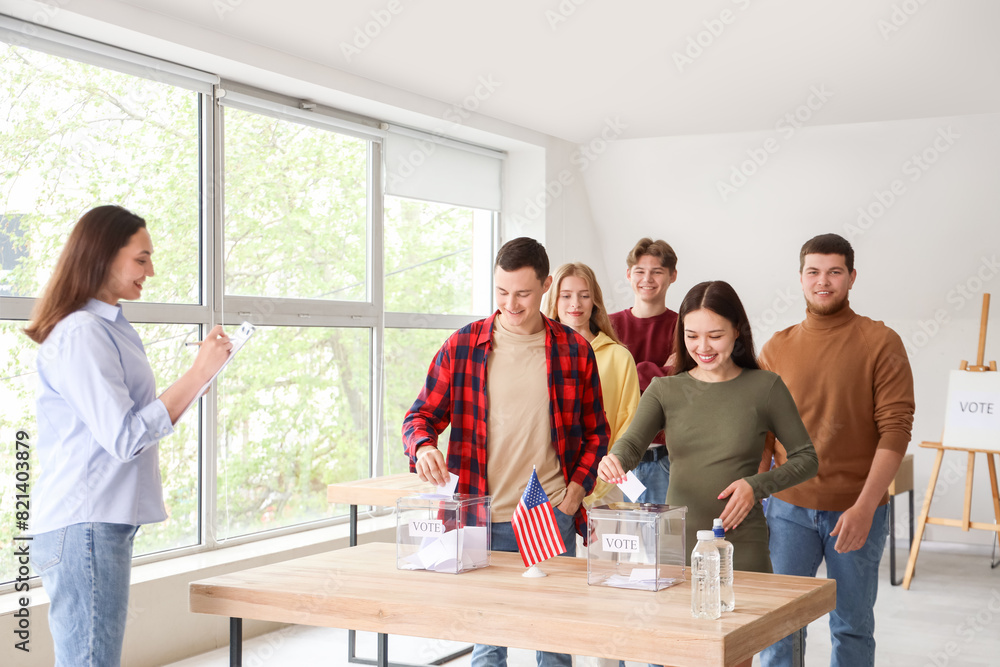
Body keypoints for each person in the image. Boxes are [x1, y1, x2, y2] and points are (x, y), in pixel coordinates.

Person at [24, 205, 232, 666]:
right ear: (102, 256)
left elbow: (136, 424)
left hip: (95, 523)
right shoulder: (82, 333)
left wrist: (201, 376)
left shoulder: (104, 326)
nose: (151, 271)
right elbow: (125, 437)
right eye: (141, 259)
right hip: (85, 523)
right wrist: (197, 373)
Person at [402, 237, 609, 667]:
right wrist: (422, 448)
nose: (510, 304)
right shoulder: (462, 347)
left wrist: (575, 491)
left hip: (549, 513)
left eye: (523, 294)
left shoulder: (574, 351)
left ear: (546, 286)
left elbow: (596, 433)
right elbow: (419, 417)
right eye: (501, 292)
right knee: (487, 642)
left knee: (552, 640)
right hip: (481, 516)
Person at [759, 234, 915, 667]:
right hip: (789, 510)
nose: (822, 281)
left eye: (834, 271)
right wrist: (757, 501)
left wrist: (866, 507)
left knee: (851, 627)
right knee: (781, 628)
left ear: (851, 277)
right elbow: (764, 437)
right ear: (801, 277)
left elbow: (896, 431)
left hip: (856, 508)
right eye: (813, 271)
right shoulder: (776, 347)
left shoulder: (881, 341)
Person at [598, 279, 817, 578]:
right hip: (677, 544)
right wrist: (615, 460)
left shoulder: (765, 388)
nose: (703, 347)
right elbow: (632, 445)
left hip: (741, 542)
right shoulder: (665, 390)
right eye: (692, 336)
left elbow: (806, 459)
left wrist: (756, 486)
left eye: (715, 335)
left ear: (737, 331)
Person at [544, 262, 640, 508]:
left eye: (584, 296)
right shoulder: (539, 354)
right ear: (554, 300)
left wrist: (598, 482)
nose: (575, 304)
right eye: (566, 296)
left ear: (595, 301)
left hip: (604, 487)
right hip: (549, 487)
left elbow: (627, 425)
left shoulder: (619, 357)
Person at [608, 238, 679, 503]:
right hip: (615, 460)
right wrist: (658, 371)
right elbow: (607, 384)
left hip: (664, 457)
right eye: (639, 271)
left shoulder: (683, 327)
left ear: (672, 276)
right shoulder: (609, 325)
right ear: (628, 275)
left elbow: (682, 387)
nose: (647, 279)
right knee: (620, 543)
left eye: (657, 271)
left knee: (666, 542)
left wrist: (630, 372)